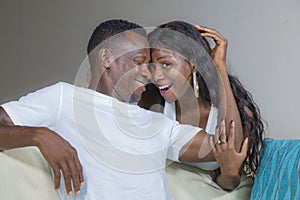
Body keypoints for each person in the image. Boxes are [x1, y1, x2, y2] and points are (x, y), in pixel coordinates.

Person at [0, 19, 242, 200]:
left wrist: (217, 66)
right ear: (105, 57)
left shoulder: (157, 123)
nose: (149, 73)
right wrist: (40, 135)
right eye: (138, 62)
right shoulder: (64, 97)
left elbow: (228, 145)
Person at [139, 21, 265, 199]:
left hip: (224, 192)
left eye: (166, 64)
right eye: (152, 66)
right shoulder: (151, 103)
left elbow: (230, 177)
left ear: (193, 63)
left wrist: (218, 67)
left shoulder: (237, 109)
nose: (157, 76)